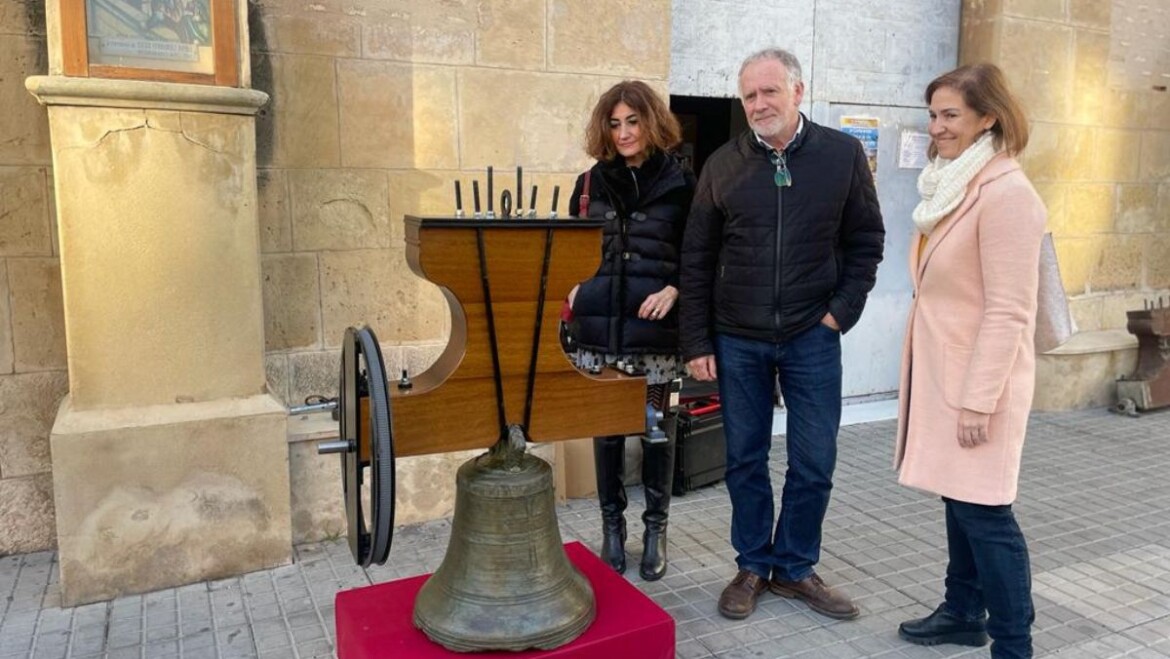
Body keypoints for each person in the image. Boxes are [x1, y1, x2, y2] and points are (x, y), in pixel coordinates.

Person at [679, 48, 884, 620]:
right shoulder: (722, 165)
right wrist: (696, 342)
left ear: (798, 90)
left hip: (810, 334)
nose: (759, 104)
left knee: (814, 458)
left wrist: (839, 313)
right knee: (743, 458)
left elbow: (866, 241)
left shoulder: (841, 156)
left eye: (770, 91)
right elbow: (696, 258)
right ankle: (752, 563)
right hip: (737, 338)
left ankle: (794, 568)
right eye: (749, 95)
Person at [894, 63, 1045, 659]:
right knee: (959, 501)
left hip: (979, 388)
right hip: (946, 379)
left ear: (989, 117)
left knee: (987, 516)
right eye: (933, 115)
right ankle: (962, 610)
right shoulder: (948, 185)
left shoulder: (1007, 194)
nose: (938, 127)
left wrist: (979, 400)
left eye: (951, 114)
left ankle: (1013, 644)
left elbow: (1010, 311)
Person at [567, 80, 696, 581]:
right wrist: (572, 288)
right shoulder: (587, 184)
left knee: (658, 430)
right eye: (615, 123)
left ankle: (656, 530)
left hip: (656, 335)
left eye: (633, 121)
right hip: (600, 332)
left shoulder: (683, 185)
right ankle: (612, 530)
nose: (623, 132)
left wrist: (676, 288)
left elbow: (701, 253)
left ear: (652, 121)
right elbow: (568, 247)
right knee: (607, 434)